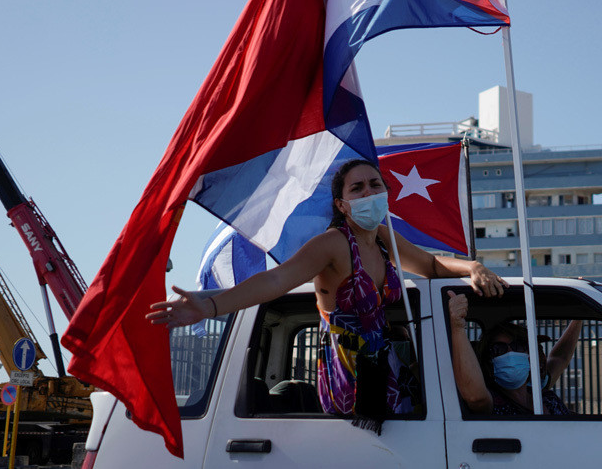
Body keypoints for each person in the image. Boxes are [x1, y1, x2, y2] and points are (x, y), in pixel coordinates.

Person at [148, 159, 508, 430]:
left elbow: (429, 265)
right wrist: (210, 305)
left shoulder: (384, 239)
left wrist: (472, 267)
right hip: (349, 379)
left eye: (374, 185)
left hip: (385, 370)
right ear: (341, 205)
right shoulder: (333, 245)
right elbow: (277, 281)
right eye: (357, 189)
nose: (369, 193)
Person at [447, 290, 582, 415]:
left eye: (517, 346)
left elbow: (560, 358)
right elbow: (475, 398)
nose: (510, 353)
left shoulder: (543, 394)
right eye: (499, 349)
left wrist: (578, 317)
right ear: (489, 361)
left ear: (529, 355)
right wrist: (458, 326)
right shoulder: (494, 404)